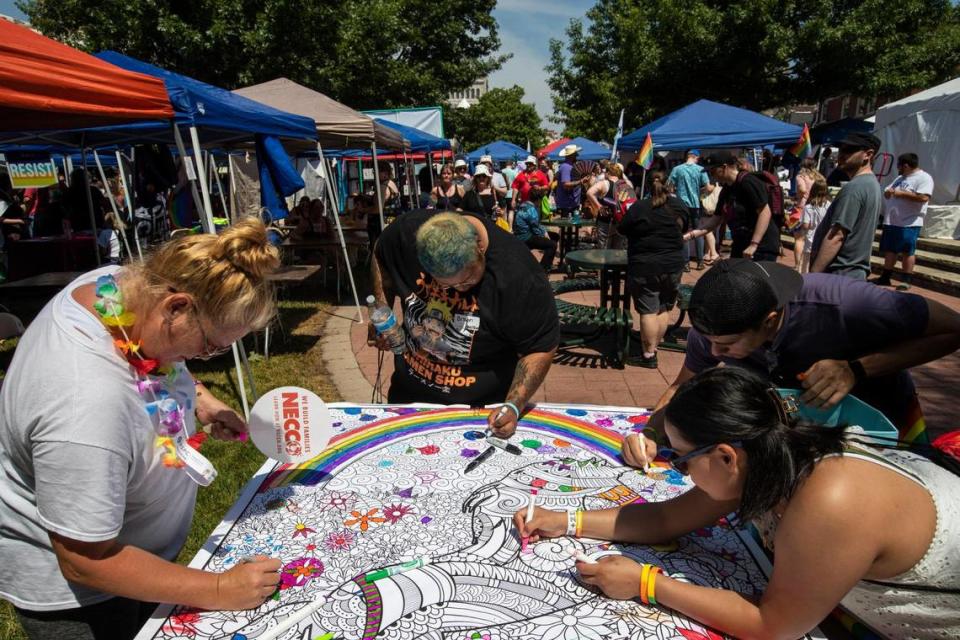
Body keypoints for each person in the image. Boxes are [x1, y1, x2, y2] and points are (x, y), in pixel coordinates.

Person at [519, 365, 960, 640]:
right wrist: (566, 519)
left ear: (727, 455)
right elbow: (666, 517)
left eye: (681, 458)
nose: (676, 470)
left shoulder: (830, 501)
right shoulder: (765, 454)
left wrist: (647, 584)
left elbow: (774, 627)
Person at [0, 219, 284, 638]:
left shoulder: (116, 289)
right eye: (211, 346)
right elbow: (84, 558)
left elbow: (145, 358)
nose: (208, 355)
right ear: (176, 308)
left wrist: (199, 398)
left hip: (138, 557)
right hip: (84, 596)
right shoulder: (84, 404)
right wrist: (220, 588)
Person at [620, 260, 960, 469]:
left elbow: (952, 329)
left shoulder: (848, 304)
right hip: (802, 431)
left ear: (769, 321)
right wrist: (651, 431)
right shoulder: (714, 333)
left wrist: (856, 368)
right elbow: (683, 385)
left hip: (882, 422)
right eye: (710, 341)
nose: (715, 352)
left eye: (726, 345)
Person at [370, 212, 559, 438]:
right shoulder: (406, 231)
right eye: (444, 284)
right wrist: (382, 307)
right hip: (409, 396)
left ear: (479, 247)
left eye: (466, 280)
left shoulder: (519, 276)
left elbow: (540, 347)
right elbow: (382, 251)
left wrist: (513, 405)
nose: (458, 290)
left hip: (482, 413)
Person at [617, 171, 689, 369]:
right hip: (673, 264)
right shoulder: (679, 206)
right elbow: (684, 228)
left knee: (648, 310)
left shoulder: (639, 207)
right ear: (669, 185)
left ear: (647, 186)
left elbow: (622, 229)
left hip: (645, 265)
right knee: (664, 307)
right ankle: (653, 347)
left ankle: (648, 355)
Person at [810, 132, 883, 279]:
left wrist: (813, 277)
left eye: (849, 150)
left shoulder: (855, 188)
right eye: (841, 149)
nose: (842, 154)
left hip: (839, 274)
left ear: (868, 155)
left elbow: (837, 236)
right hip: (850, 275)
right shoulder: (871, 184)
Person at [685, 154, 778, 261]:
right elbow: (716, 219)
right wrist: (690, 235)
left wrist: (754, 244)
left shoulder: (748, 182)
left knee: (754, 277)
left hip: (761, 246)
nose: (711, 175)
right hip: (741, 243)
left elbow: (765, 212)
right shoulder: (726, 189)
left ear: (724, 167)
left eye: (713, 171)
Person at [876, 153, 934, 290]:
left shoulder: (924, 178)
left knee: (907, 251)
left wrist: (901, 193)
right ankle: (885, 277)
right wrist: (888, 192)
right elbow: (888, 191)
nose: (897, 168)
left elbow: (924, 197)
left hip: (909, 222)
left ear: (906, 165)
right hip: (892, 221)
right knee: (890, 250)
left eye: (899, 166)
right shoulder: (900, 178)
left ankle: (906, 280)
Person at [667, 149, 713, 270]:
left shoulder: (677, 169)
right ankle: (700, 262)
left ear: (687, 157)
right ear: (696, 158)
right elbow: (708, 188)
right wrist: (705, 189)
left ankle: (685, 263)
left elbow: (669, 188)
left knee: (684, 232)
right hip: (696, 205)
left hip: (681, 205)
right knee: (698, 232)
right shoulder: (700, 170)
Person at [585, 163, 631, 249]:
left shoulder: (605, 183)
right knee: (617, 250)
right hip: (621, 222)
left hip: (606, 222)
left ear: (608, 173)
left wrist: (599, 206)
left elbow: (589, 193)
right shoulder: (627, 184)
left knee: (604, 250)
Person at [513, 199, 558, 272]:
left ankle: (548, 264)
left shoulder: (524, 205)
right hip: (525, 237)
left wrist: (544, 232)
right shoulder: (531, 209)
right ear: (538, 200)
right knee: (553, 245)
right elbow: (535, 228)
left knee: (555, 236)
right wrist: (544, 234)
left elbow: (535, 226)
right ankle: (542, 270)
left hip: (521, 235)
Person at [789, 159, 818, 271]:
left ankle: (798, 265)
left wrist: (798, 195)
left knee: (799, 239)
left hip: (802, 207)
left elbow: (802, 189)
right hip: (815, 208)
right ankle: (807, 265)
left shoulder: (801, 176)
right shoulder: (817, 176)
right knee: (809, 238)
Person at [798, 174, 829, 274]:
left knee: (806, 265)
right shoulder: (829, 205)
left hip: (811, 240)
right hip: (824, 240)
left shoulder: (809, 207)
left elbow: (806, 225)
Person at [554, 144, 588, 218]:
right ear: (571, 155)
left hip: (571, 203)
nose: (577, 155)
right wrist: (580, 181)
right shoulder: (566, 167)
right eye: (576, 154)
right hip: (567, 204)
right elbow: (566, 184)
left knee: (571, 226)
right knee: (567, 225)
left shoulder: (569, 166)